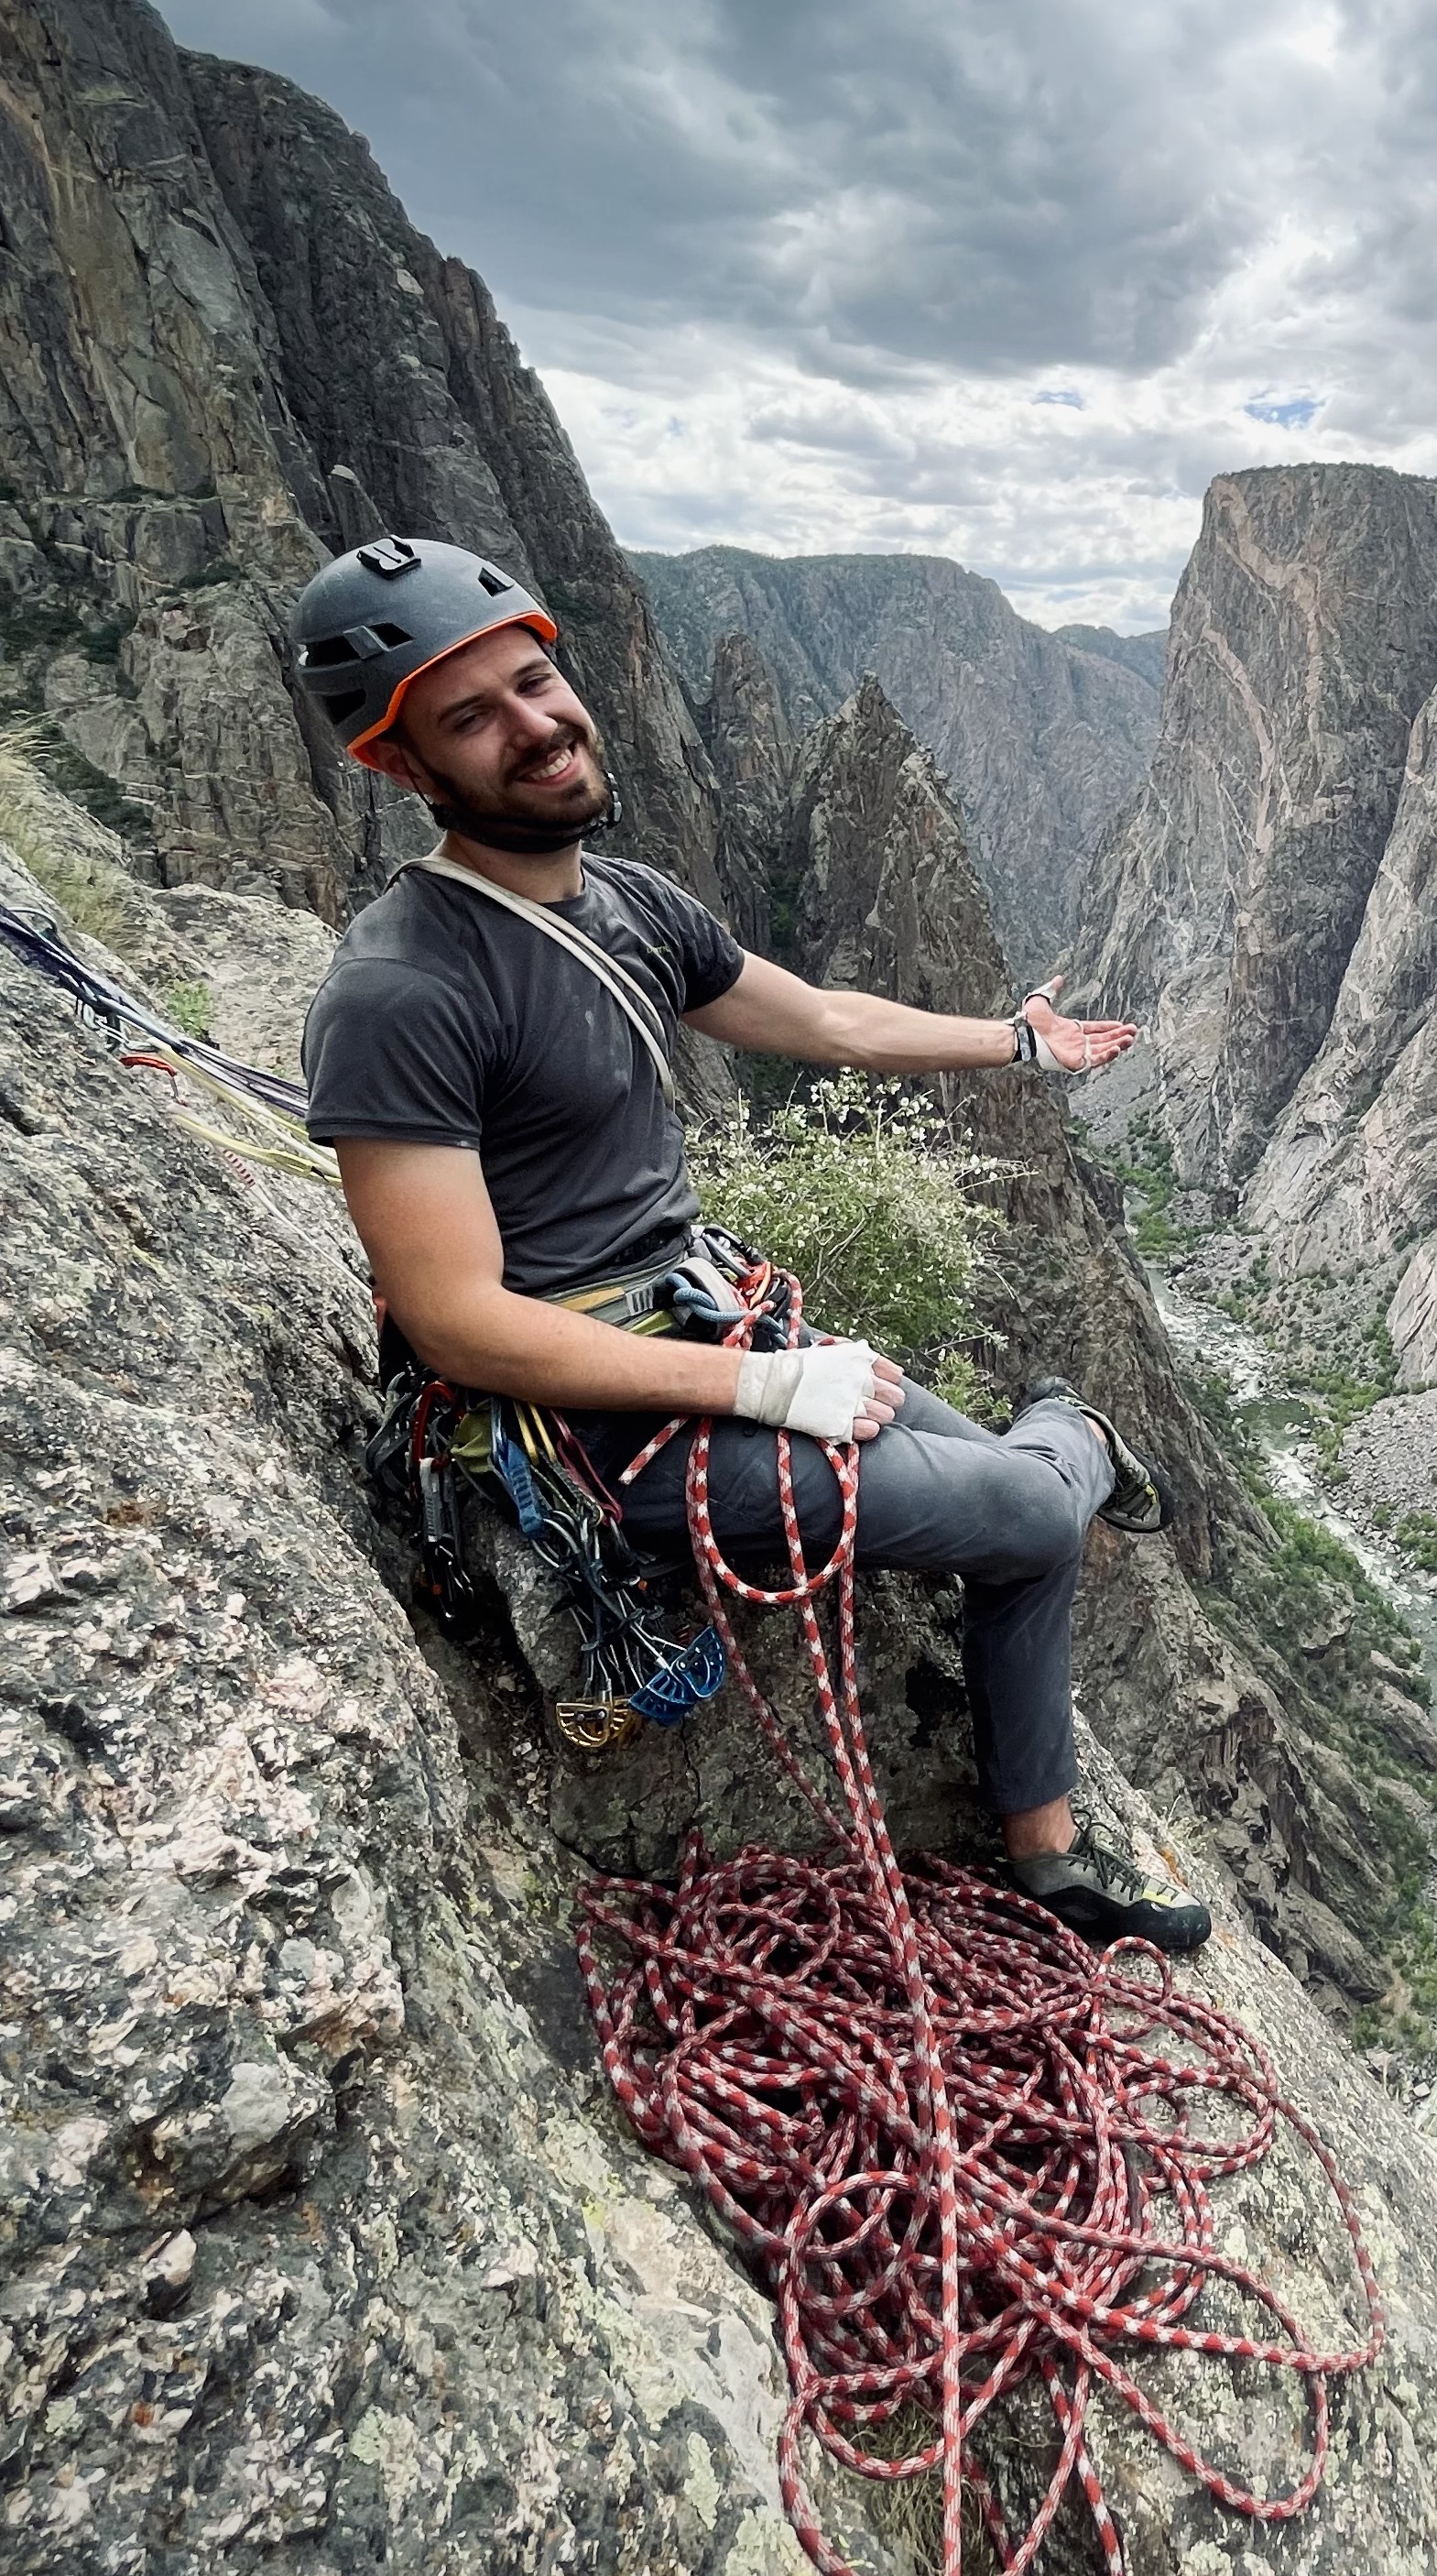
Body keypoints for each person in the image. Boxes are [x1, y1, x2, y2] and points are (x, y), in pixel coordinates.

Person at [293, 531, 1208, 1955]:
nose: (536, 727)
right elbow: (457, 1317)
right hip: (589, 1427)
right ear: (400, 769)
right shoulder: (401, 989)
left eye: (536, 683)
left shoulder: (635, 904)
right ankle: (1075, 1431)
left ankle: (1048, 1862)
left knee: (1017, 1529)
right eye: (472, 717)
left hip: (702, 1323)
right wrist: (762, 1389)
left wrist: (1018, 1042)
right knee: (1034, 1504)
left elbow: (827, 1021)